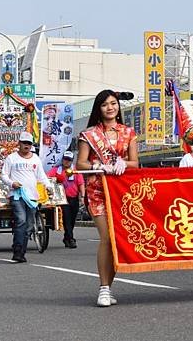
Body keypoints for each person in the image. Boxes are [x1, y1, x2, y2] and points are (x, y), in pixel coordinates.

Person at [77, 89, 138, 307]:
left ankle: (109, 286)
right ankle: (103, 289)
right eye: (105, 104)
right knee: (107, 237)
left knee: (116, 239)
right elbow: (80, 164)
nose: (110, 107)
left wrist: (123, 164)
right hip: (97, 191)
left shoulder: (128, 132)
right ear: (99, 108)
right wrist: (98, 165)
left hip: (121, 192)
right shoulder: (89, 134)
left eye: (113, 103)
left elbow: (134, 163)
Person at [1, 131, 49, 263]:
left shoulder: (35, 159)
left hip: (32, 197)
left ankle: (21, 251)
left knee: (29, 225)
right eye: (24, 143)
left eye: (29, 143)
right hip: (17, 196)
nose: (26, 145)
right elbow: (3, 175)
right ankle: (17, 250)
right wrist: (12, 183)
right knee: (21, 220)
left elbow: (41, 176)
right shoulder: (11, 158)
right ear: (19, 144)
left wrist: (49, 186)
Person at [47, 151, 85, 248]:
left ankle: (67, 238)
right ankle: (71, 239)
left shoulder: (75, 171)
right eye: (65, 159)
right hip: (62, 199)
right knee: (66, 219)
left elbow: (81, 184)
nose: (66, 162)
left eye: (69, 160)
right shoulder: (56, 170)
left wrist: (82, 196)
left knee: (72, 220)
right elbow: (47, 179)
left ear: (71, 161)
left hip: (74, 198)